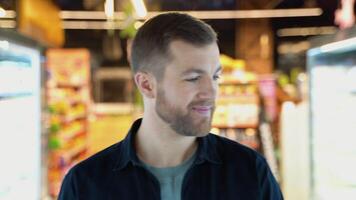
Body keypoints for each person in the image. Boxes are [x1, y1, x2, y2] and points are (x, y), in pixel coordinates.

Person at [58, 12, 283, 200]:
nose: (211, 93)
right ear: (147, 85)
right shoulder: (86, 185)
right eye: (193, 78)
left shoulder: (250, 171)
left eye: (215, 77)